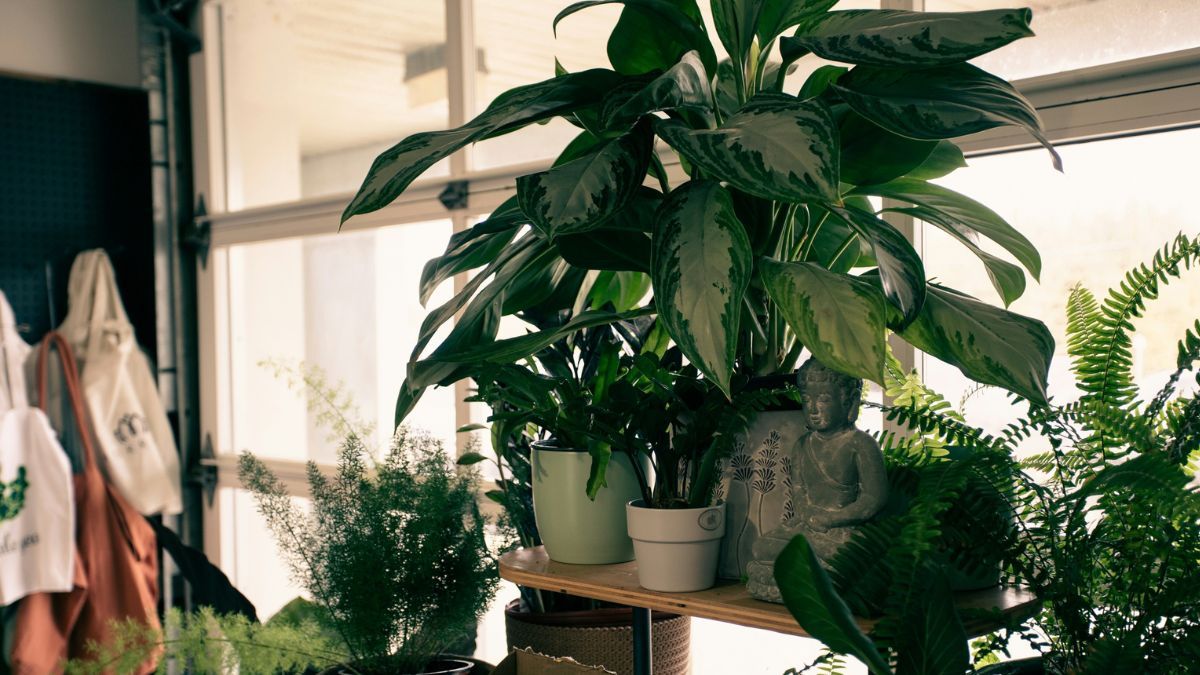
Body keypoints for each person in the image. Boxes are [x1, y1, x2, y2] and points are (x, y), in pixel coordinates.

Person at [745, 358, 889, 603]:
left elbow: (873, 499)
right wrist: (806, 514)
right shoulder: (802, 445)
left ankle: (811, 576)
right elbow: (799, 489)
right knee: (762, 547)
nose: (813, 408)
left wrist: (832, 518)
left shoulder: (860, 444)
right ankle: (809, 575)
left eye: (823, 399)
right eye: (807, 399)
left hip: (844, 533)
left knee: (847, 556)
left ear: (849, 401)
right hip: (809, 527)